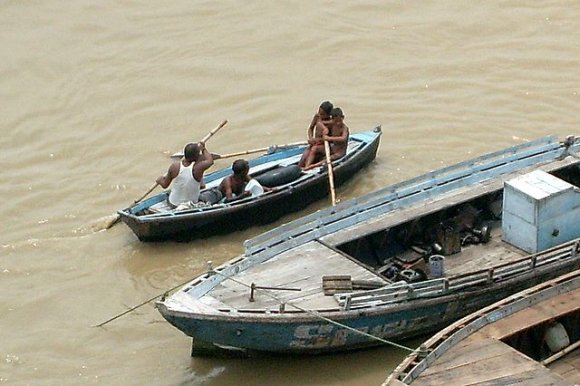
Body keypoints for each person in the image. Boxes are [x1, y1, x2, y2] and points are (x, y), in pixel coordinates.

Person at [156, 142, 214, 208]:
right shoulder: (198, 168)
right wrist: (203, 149)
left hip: (173, 203)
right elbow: (210, 161)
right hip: (191, 204)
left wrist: (159, 180)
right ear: (197, 156)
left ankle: (201, 184)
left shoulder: (174, 166)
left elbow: (164, 185)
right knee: (215, 194)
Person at [299, 101, 333, 169]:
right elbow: (310, 129)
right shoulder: (317, 116)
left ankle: (307, 168)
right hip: (314, 143)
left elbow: (332, 139)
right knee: (302, 160)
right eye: (319, 112)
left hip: (324, 146)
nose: (320, 115)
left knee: (315, 151)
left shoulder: (331, 122)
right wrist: (311, 138)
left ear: (328, 114)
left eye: (322, 114)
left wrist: (322, 140)